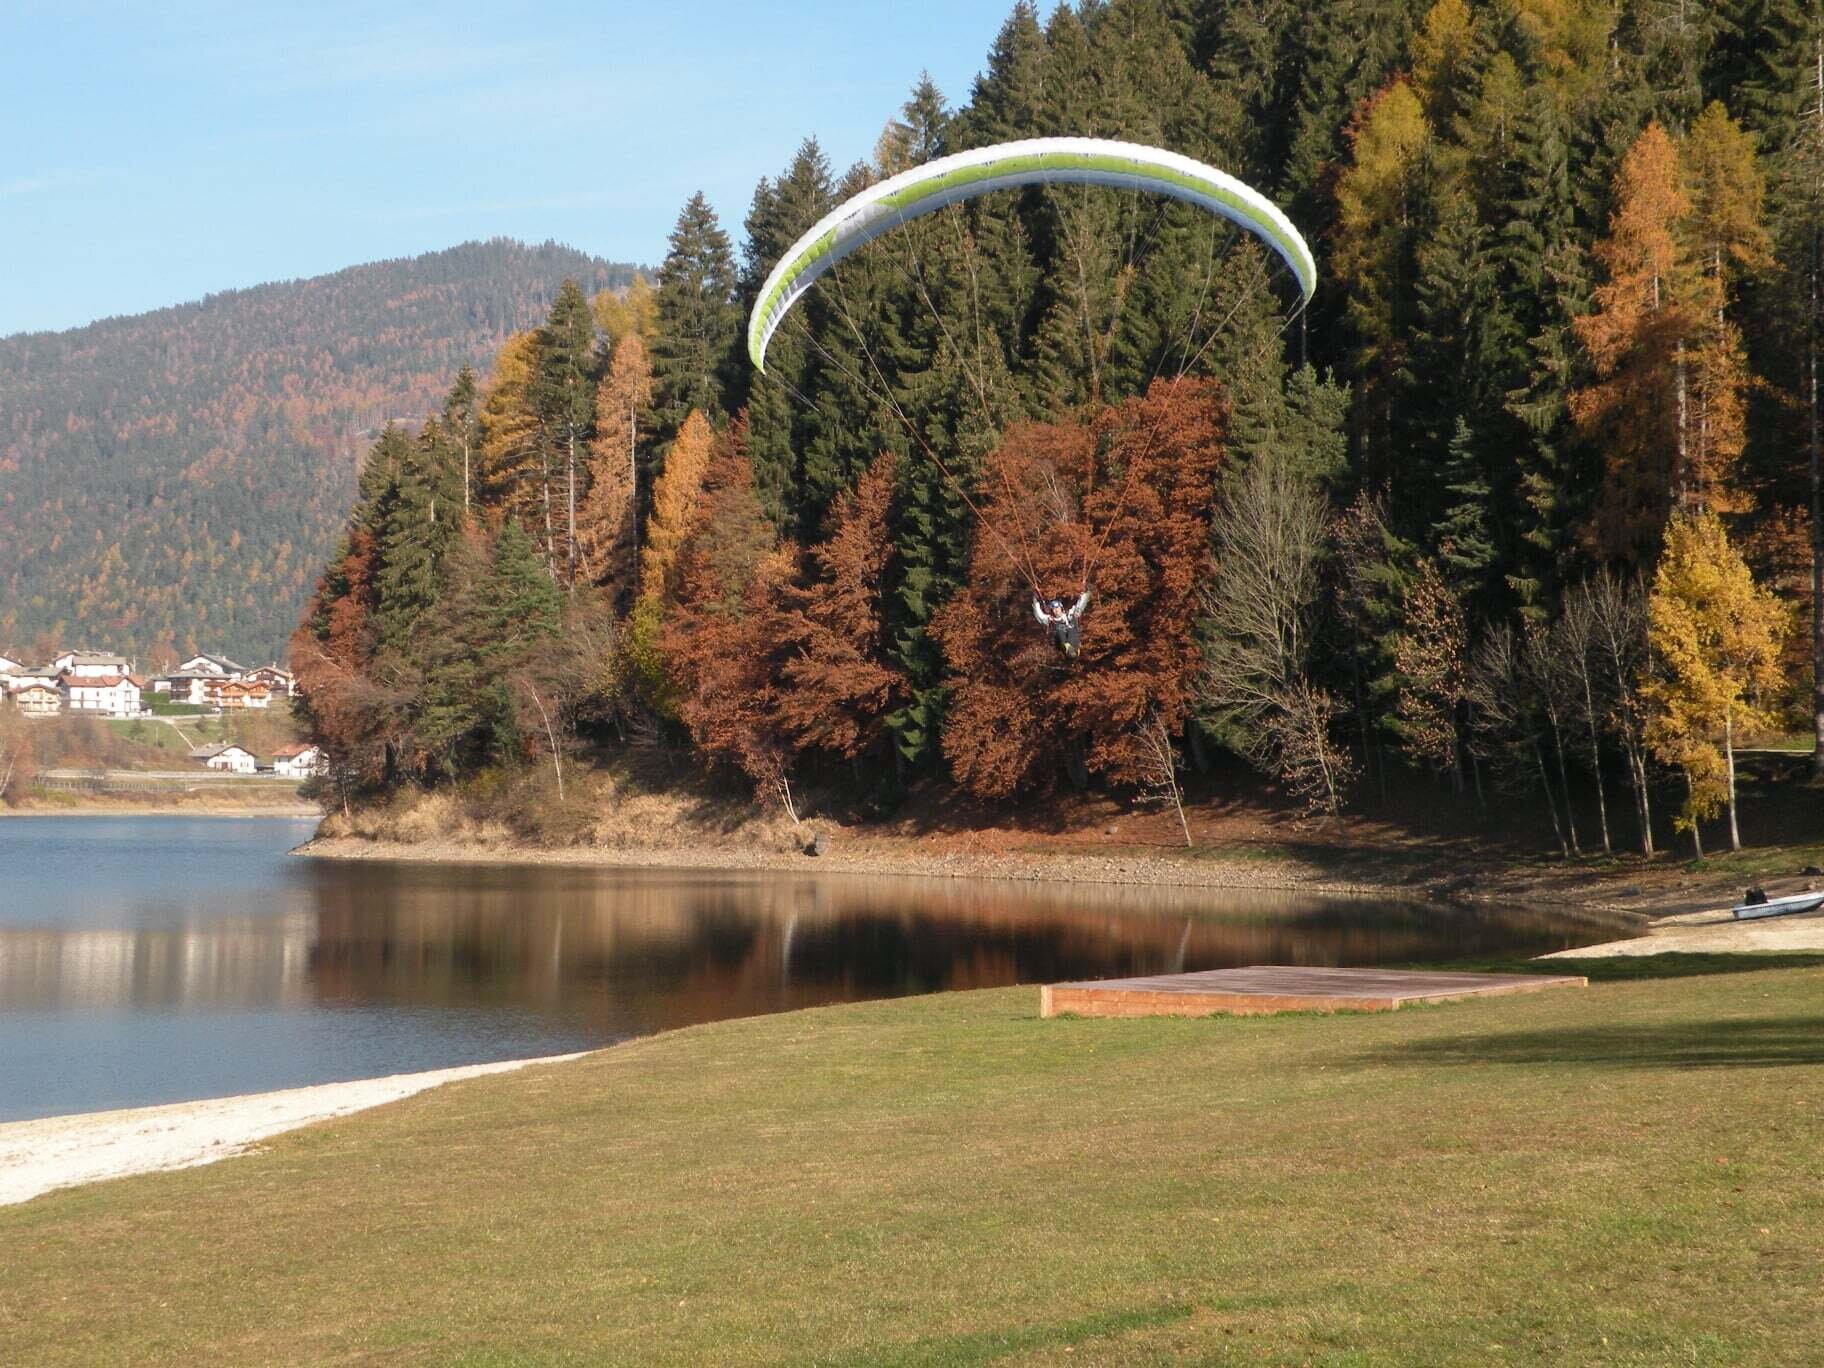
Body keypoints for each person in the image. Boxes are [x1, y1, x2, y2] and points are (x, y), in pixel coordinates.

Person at [1031, 588, 1091, 658]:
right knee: (1059, 630)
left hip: (1074, 643)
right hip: (1061, 643)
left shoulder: (1070, 614)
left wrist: (1086, 593)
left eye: (1057, 608)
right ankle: (1066, 647)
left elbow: (1080, 605)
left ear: (1061, 608)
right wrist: (1036, 601)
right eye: (1054, 609)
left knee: (1072, 629)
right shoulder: (1050, 620)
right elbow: (1039, 615)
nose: (1056, 610)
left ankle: (1070, 648)